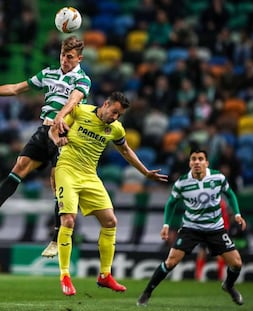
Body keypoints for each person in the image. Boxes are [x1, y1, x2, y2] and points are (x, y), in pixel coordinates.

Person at [0, 35, 91, 258]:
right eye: (63, 55)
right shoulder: (49, 73)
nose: (65, 60)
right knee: (20, 165)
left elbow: (74, 100)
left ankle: (56, 239)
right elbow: (16, 88)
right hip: (44, 130)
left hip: (65, 133)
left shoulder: (82, 79)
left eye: (70, 57)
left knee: (57, 182)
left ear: (79, 58)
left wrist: (60, 118)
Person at [49, 91, 168, 296]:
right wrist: (57, 140)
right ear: (105, 104)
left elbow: (126, 151)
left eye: (119, 115)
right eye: (113, 112)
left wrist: (145, 172)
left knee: (110, 221)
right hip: (67, 169)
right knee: (68, 220)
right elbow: (53, 129)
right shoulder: (79, 112)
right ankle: (65, 275)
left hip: (89, 176)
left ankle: (105, 275)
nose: (115, 117)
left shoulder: (115, 129)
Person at [137, 149, 246, 306]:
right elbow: (171, 203)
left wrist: (236, 214)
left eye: (200, 159)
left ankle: (228, 285)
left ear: (206, 163)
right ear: (189, 163)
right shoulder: (182, 182)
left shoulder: (218, 177)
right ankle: (146, 293)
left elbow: (230, 194)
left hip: (215, 228)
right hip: (191, 229)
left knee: (236, 263)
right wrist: (166, 225)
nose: (197, 162)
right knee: (170, 262)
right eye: (193, 159)